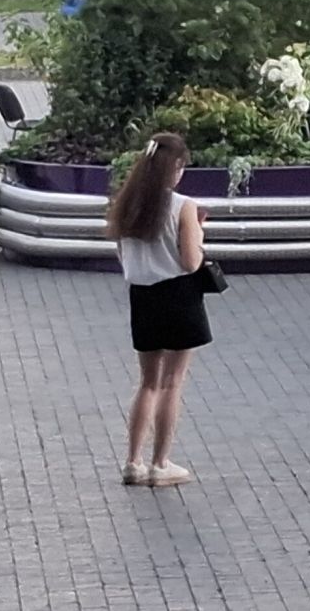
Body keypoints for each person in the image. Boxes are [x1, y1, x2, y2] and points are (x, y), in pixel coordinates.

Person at [108, 132, 210, 487]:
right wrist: (199, 233)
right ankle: (160, 464)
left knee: (148, 382)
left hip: (142, 296)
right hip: (179, 296)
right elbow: (191, 261)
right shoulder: (183, 206)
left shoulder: (128, 204)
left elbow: (122, 255)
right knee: (172, 382)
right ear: (174, 167)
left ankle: (132, 462)